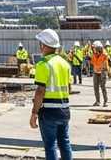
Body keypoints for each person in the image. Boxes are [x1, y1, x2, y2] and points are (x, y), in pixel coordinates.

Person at [29, 29, 72, 160]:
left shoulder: (43, 64)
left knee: (50, 145)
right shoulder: (65, 64)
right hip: (64, 109)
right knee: (64, 143)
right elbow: (69, 87)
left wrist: (34, 113)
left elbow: (40, 90)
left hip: (49, 111)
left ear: (43, 45)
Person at [90, 41, 109, 107]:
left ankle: (105, 101)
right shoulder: (94, 55)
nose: (94, 50)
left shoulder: (104, 54)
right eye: (93, 49)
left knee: (103, 86)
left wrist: (107, 70)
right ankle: (97, 101)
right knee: (96, 87)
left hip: (102, 72)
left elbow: (107, 62)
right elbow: (94, 63)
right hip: (96, 72)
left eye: (95, 48)